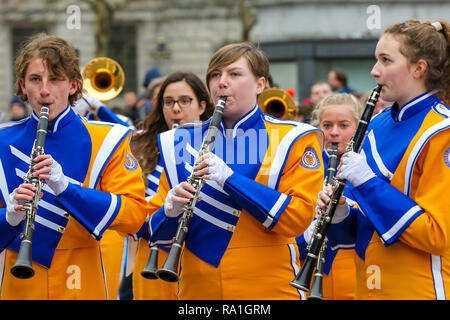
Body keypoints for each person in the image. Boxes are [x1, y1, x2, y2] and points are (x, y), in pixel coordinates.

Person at [147, 42, 324, 299]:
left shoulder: (292, 138)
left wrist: (229, 179)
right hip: (197, 290)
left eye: (234, 74)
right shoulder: (179, 140)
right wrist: (169, 212)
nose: (222, 83)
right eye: (215, 75)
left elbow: (298, 218)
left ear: (260, 84)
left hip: (268, 288)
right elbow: (156, 236)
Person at [0, 33, 148, 299]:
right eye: (35, 79)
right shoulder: (2, 141)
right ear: (23, 86)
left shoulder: (108, 139)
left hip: (82, 277)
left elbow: (135, 215)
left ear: (73, 85)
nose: (44, 90)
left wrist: (67, 189)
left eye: (55, 79)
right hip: (18, 282)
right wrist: (8, 218)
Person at [319, 20, 450, 299]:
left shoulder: (443, 132)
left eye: (385, 60)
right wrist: (341, 213)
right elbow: (364, 231)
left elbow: (437, 235)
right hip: (367, 285)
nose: (374, 71)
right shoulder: (375, 124)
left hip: (419, 288)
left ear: (419, 68)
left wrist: (367, 183)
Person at [130, 71, 215, 300]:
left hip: (199, 254)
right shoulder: (143, 147)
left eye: (185, 101)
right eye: (169, 102)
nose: (176, 109)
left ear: (202, 105)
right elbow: (130, 206)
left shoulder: (222, 147)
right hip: (152, 253)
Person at [296, 93, 362, 300]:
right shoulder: (305, 166)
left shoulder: (369, 166)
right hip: (310, 269)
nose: (334, 133)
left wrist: (346, 207)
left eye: (343, 126)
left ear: (359, 127)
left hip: (354, 272)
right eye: (327, 125)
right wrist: (305, 233)